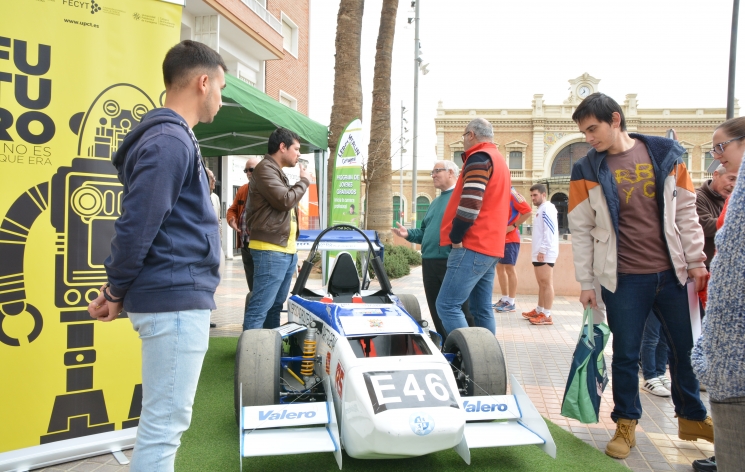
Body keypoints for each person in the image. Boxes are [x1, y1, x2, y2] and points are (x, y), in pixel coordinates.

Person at [87, 40, 226, 471]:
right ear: (203, 83)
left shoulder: (173, 140)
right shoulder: (170, 141)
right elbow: (137, 225)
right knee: (164, 429)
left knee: (162, 426)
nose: (221, 99)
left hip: (173, 296)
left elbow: (150, 220)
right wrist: (114, 288)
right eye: (220, 87)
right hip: (175, 298)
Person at [567, 93, 711, 460]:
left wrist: (695, 260)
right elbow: (581, 230)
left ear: (615, 119)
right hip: (623, 279)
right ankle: (626, 422)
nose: (589, 138)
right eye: (584, 132)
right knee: (626, 355)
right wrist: (586, 282)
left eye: (593, 129)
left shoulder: (667, 155)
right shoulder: (586, 169)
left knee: (686, 349)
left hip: (673, 273)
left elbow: (686, 214)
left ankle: (692, 417)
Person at [692, 116, 745, 472]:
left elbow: (731, 265)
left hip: (733, 364)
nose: (717, 157)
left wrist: (709, 354)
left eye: (721, 147)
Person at [436, 118, 511, 335]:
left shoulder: (479, 158)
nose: (462, 141)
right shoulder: (498, 160)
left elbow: (470, 205)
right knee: (482, 309)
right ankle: (489, 364)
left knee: (447, 305)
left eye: (463, 136)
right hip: (492, 246)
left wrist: (456, 237)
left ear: (471, 135)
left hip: (473, 243)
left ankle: (471, 357)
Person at [393, 161, 474, 338]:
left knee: (458, 309)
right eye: (432, 172)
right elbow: (424, 232)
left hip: (451, 260)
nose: (433, 175)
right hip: (429, 261)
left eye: (437, 171)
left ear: (451, 172)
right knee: (436, 309)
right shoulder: (435, 202)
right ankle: (446, 346)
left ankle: (467, 347)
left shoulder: (462, 198)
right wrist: (408, 234)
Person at [243, 127, 309, 330]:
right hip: (270, 250)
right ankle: (251, 360)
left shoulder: (274, 171)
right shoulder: (265, 169)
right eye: (296, 149)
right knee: (260, 308)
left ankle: (270, 353)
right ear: (282, 147)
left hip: (284, 251)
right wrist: (304, 181)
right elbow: (285, 200)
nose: (298, 154)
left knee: (273, 307)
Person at [521, 184, 559, 325]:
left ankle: (547, 314)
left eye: (535, 195)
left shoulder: (547, 208)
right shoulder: (540, 210)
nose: (532, 198)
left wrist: (543, 250)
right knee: (541, 284)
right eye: (531, 195)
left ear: (543, 194)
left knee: (546, 283)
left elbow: (549, 231)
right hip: (539, 252)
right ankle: (539, 310)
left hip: (546, 252)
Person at [493, 187, 532, 313]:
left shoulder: (513, 193)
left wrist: (513, 226)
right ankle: (505, 299)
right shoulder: (498, 193)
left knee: (509, 268)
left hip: (511, 238)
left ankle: (511, 301)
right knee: (500, 268)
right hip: (499, 238)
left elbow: (528, 211)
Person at [227, 156, 261, 291]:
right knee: (252, 283)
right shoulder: (243, 190)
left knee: (261, 282)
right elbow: (232, 210)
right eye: (246, 170)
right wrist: (231, 220)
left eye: (251, 170)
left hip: (261, 244)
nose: (248, 173)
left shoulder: (268, 189)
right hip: (245, 243)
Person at [696, 164, 736, 271]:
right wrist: (737, 222)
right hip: (705, 266)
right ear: (716, 175)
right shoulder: (697, 197)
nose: (734, 185)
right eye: (731, 179)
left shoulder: (732, 200)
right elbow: (706, 226)